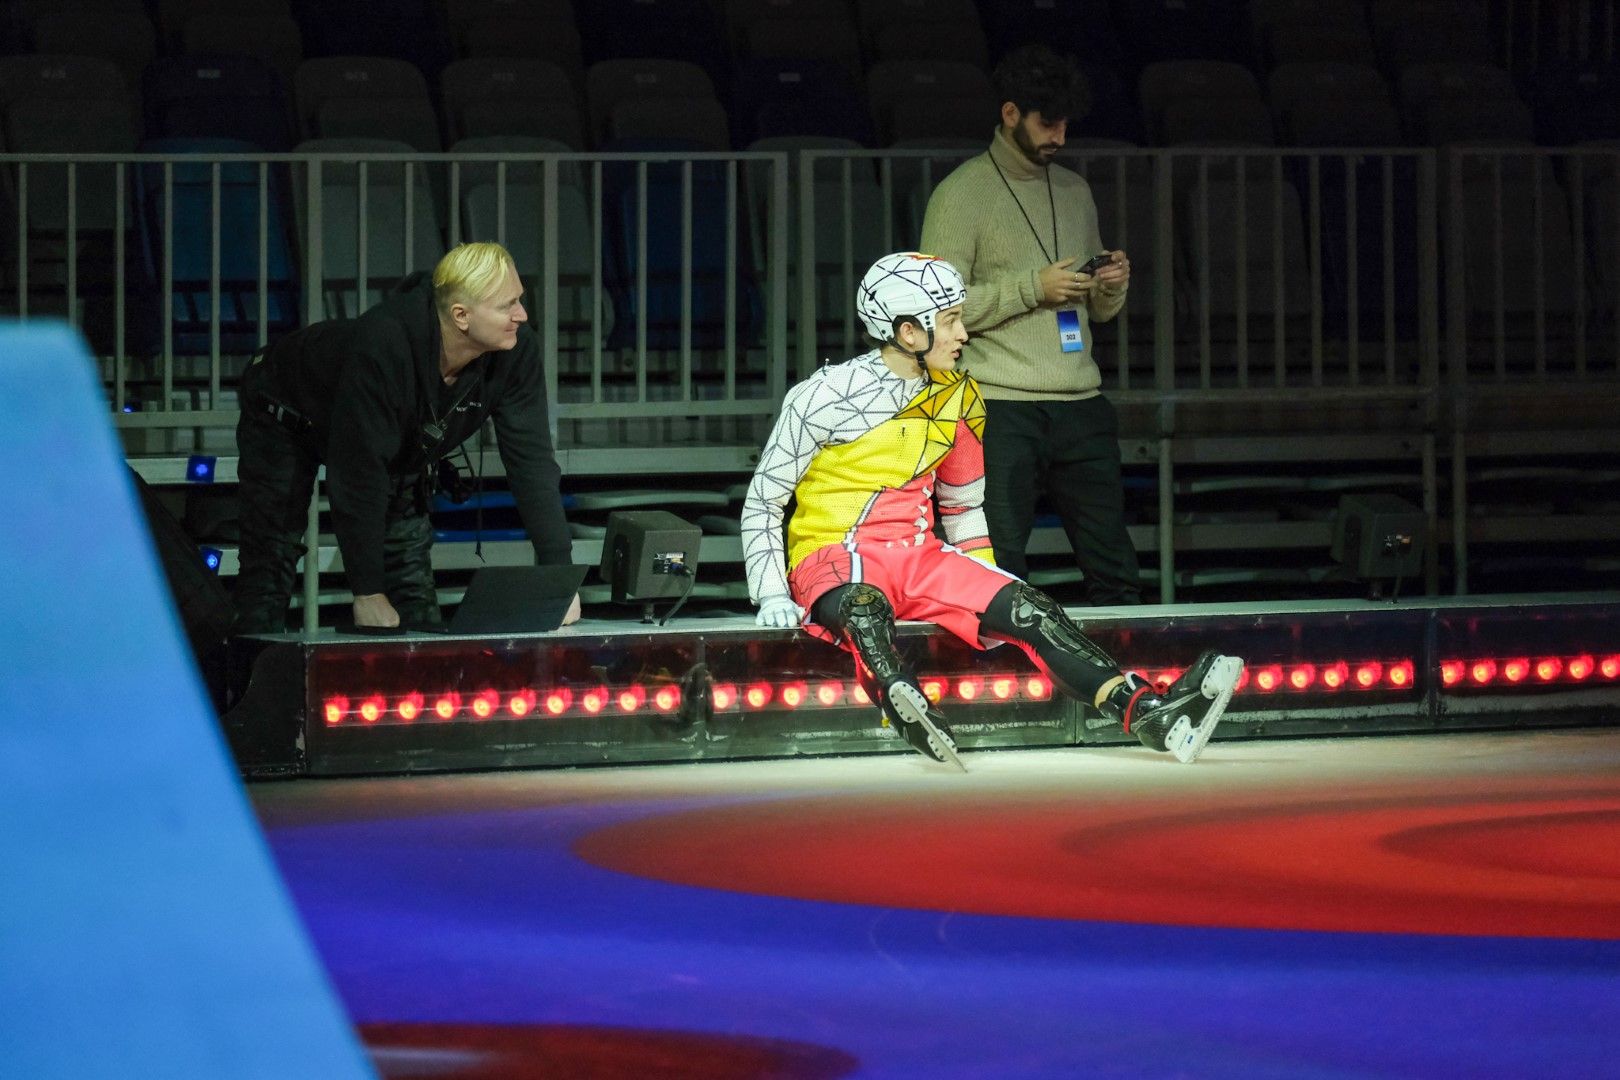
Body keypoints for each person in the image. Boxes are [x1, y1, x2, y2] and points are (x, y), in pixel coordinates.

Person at [741, 252, 1242, 767]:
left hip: (920, 557)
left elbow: (962, 504)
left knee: (1033, 611)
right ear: (908, 332)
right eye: (951, 320)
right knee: (864, 610)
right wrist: (771, 591)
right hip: (833, 557)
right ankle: (906, 703)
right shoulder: (821, 395)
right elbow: (764, 499)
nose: (963, 333)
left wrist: (990, 581)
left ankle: (1148, 713)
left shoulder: (959, 395)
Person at [233, 241, 579, 633]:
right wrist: (366, 593)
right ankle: (248, 682)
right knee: (270, 561)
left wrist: (558, 581)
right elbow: (358, 472)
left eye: (519, 300)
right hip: (285, 407)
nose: (522, 315)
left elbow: (532, 462)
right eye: (507, 306)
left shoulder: (517, 349)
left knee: (410, 579)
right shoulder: (385, 343)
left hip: (397, 434)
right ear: (461, 315)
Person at [919, 44, 1140, 604]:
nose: (1059, 136)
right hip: (998, 404)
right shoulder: (961, 193)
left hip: (1080, 399)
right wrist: (1031, 288)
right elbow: (932, 309)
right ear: (1011, 113)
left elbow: (1096, 311)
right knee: (997, 563)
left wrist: (1110, 284)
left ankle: (1130, 683)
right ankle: (998, 683)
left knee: (1113, 563)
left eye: (1066, 122)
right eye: (1048, 122)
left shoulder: (1074, 191)